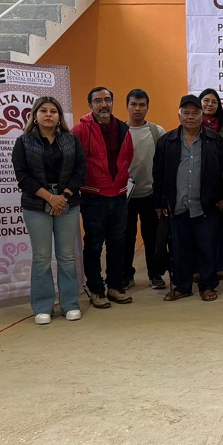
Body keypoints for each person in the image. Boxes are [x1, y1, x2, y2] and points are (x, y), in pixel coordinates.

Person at [12, 97, 86, 324]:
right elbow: (22, 176)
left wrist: (63, 197)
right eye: (43, 110)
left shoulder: (71, 140)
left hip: (67, 203)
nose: (48, 115)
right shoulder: (24, 142)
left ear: (59, 117)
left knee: (67, 257)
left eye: (53, 111)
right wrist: (50, 198)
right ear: (35, 115)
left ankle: (70, 304)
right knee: (42, 258)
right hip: (36, 205)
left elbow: (80, 171)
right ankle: (42, 307)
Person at [154, 95, 223, 302]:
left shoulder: (215, 140)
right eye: (185, 113)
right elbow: (158, 174)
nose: (190, 117)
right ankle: (182, 286)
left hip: (207, 205)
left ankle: (207, 286)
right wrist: (159, 203)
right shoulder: (166, 141)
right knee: (179, 250)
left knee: (207, 248)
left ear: (201, 116)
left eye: (195, 113)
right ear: (179, 116)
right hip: (177, 205)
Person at [72, 87, 134, 308]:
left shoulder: (123, 129)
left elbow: (128, 157)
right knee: (94, 245)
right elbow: (74, 162)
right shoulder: (80, 130)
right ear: (90, 105)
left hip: (119, 196)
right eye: (98, 101)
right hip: (93, 197)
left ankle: (115, 286)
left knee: (118, 244)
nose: (103, 104)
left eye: (107, 99)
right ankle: (97, 289)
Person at [123, 89, 166, 290]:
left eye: (142, 105)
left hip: (151, 195)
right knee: (125, 238)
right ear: (127, 106)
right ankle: (126, 275)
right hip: (125, 196)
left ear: (147, 107)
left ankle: (155, 274)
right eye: (134, 104)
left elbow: (164, 164)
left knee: (153, 238)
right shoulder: (119, 131)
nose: (138, 108)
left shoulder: (157, 132)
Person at [199, 88, 223, 279]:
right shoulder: (191, 127)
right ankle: (198, 266)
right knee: (199, 228)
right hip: (198, 184)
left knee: (220, 227)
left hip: (222, 183)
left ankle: (219, 265)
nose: (210, 104)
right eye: (206, 100)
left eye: (214, 101)